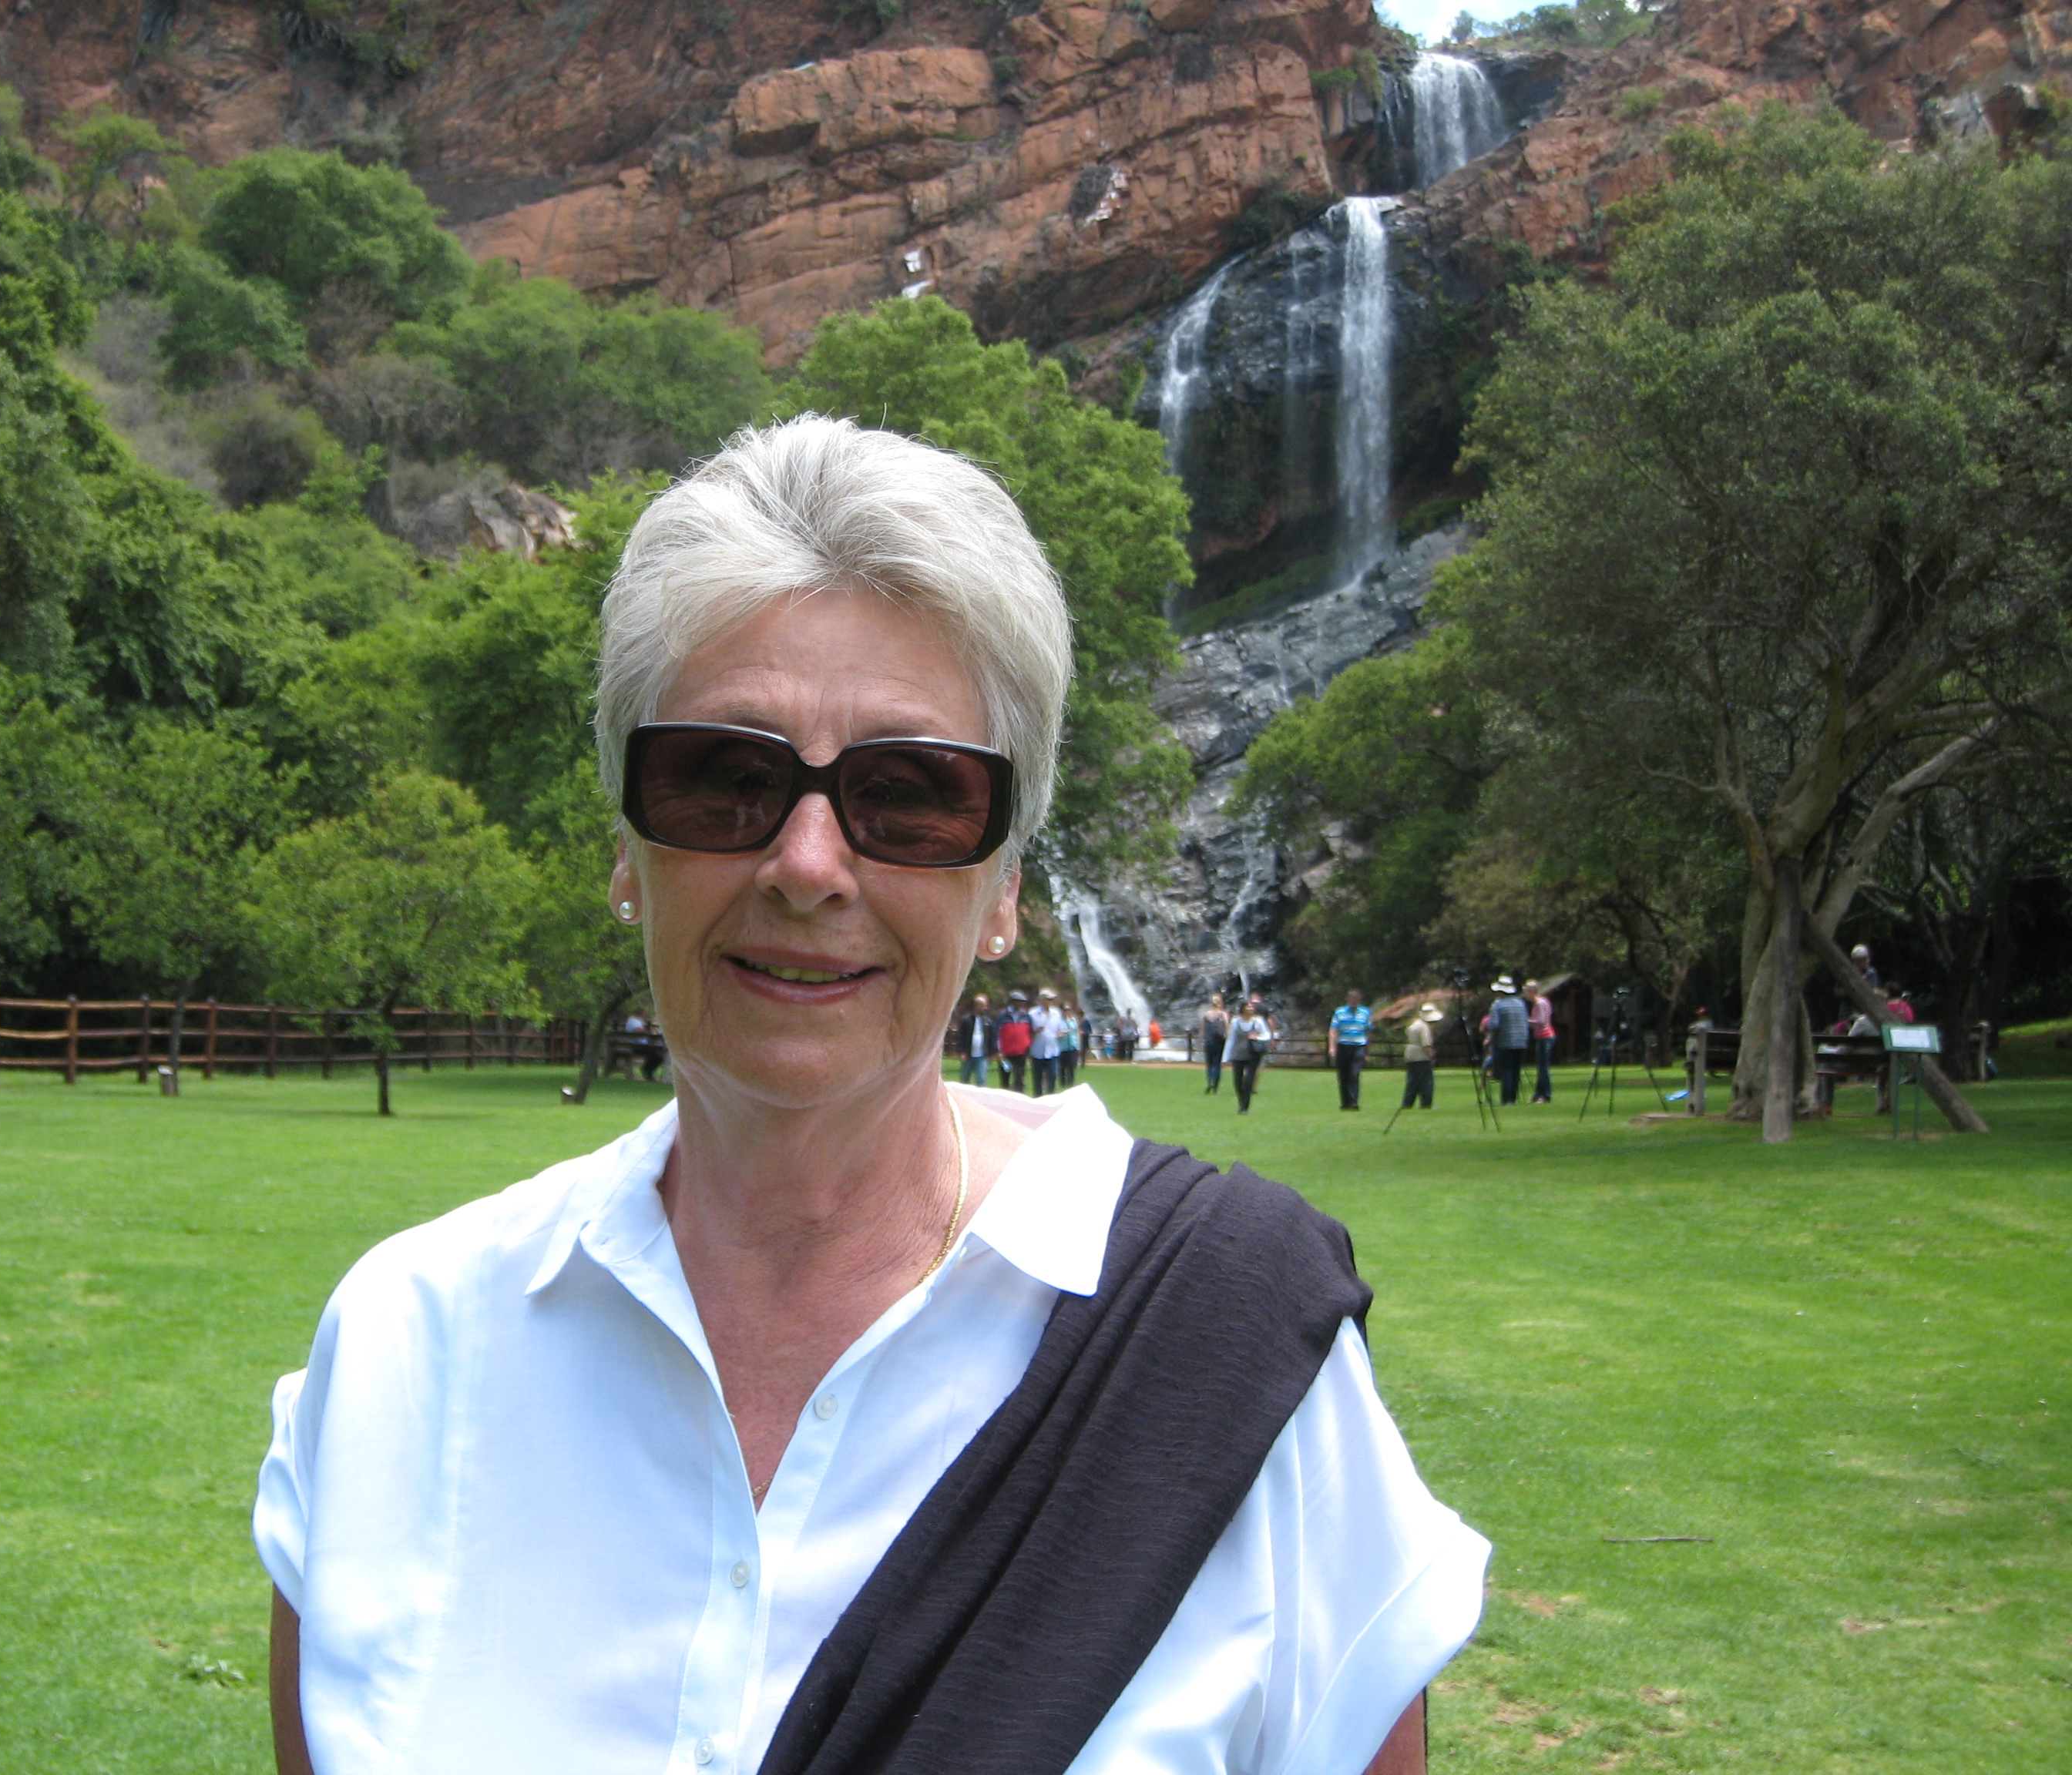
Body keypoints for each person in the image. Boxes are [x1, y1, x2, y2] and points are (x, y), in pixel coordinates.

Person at [254, 417, 1484, 1775]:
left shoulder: (1235, 1359)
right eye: (725, 778)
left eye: (910, 794)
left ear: (1004, 886)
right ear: (626, 845)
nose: (806, 864)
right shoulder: (403, 1351)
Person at [1225, 996, 1274, 1115]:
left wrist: (1257, 1037)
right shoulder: (1236, 1021)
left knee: (1248, 1081)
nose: (1251, 1008)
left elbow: (1267, 1035)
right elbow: (1231, 1039)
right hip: (1238, 1054)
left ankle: (1244, 1107)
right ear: (1242, 1008)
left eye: (1252, 1006)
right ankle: (1241, 1102)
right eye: (1248, 1006)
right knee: (1238, 1081)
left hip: (1253, 1054)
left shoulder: (1258, 1021)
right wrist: (1226, 1057)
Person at [1486, 975, 1529, 1106]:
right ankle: (1513, 1097)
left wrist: (1489, 1038)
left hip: (1505, 1042)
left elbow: (1494, 1025)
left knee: (1507, 1071)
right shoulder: (1520, 1003)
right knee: (1516, 1070)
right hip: (1521, 1041)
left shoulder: (1498, 1005)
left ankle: (1506, 1099)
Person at [1329, 989, 1372, 1111]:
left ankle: (1353, 1102)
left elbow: (1368, 1032)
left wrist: (1367, 1051)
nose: (1354, 1002)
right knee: (1343, 1075)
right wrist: (1332, 1047)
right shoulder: (1340, 1012)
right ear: (1348, 999)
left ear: (1359, 1000)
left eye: (1356, 999)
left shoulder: (1365, 1013)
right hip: (1343, 1045)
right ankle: (1345, 1102)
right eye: (1352, 999)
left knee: (1354, 1074)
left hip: (1359, 1046)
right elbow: (1333, 1030)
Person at [1401, 1002, 1442, 1110]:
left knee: (1413, 1081)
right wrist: (1431, 1057)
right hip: (1420, 1056)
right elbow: (1426, 1044)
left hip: (1410, 1055)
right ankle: (1426, 1104)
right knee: (1426, 1082)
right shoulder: (1424, 1027)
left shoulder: (1414, 1024)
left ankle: (1407, 1103)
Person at [995, 988, 1033, 1092]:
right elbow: (997, 1034)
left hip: (1021, 1053)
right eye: (1019, 1001)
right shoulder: (1003, 1016)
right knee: (1005, 1079)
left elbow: (1029, 1034)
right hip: (1005, 1053)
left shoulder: (1026, 1016)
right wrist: (999, 1051)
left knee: (1019, 1078)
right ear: (1013, 1002)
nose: (1021, 1004)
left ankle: (1019, 1097)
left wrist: (1028, 1049)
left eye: (1022, 1002)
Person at [1029, 987, 1065, 1097]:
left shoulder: (1057, 1013)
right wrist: (1036, 1031)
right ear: (1042, 1000)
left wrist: (1061, 1033)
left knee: (1052, 1076)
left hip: (1053, 1050)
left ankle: (1050, 1099)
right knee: (1037, 1079)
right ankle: (1038, 1099)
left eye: (1052, 1000)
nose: (1051, 1002)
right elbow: (1027, 1032)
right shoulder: (1032, 1014)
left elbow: (1061, 1028)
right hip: (1037, 1051)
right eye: (1049, 999)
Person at [1523, 980, 1554, 1105]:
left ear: (1532, 992)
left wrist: (1527, 1021)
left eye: (1526, 992)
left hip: (1545, 1037)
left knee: (1543, 1068)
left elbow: (1541, 1021)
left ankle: (1545, 1095)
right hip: (1542, 1037)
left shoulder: (1540, 1004)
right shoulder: (1542, 1002)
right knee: (1540, 1067)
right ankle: (1538, 1094)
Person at [955, 992, 995, 1089]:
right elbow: (961, 1037)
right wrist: (962, 1052)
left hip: (982, 1056)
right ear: (977, 1006)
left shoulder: (988, 1022)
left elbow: (992, 1038)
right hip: (968, 1055)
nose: (985, 1008)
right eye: (983, 1006)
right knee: (964, 1080)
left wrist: (992, 1054)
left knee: (981, 1080)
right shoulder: (966, 1020)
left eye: (986, 1005)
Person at [1200, 993, 1230, 1095]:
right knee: (1217, 1064)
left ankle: (1209, 1082)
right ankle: (1215, 1087)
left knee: (1209, 1064)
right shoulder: (1223, 1014)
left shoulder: (1206, 1014)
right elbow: (1227, 1028)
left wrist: (1201, 1042)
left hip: (1208, 1041)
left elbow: (1203, 1030)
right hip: (1219, 1041)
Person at [1058, 1002, 1082, 1089]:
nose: (1067, 1011)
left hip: (1072, 1046)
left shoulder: (1074, 1020)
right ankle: (1063, 1083)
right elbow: (1057, 1032)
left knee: (1072, 1066)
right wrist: (1062, 1033)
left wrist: (1079, 1045)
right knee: (1062, 1066)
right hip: (1062, 1047)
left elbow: (1077, 1032)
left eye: (1069, 1010)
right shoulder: (1060, 1021)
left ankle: (1071, 1082)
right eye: (1065, 1010)